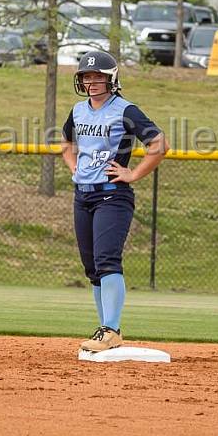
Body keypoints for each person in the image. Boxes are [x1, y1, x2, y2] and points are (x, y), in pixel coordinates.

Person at [60, 51, 168, 352]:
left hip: (112, 194)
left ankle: (111, 329)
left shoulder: (125, 110)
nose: (92, 82)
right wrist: (73, 167)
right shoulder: (78, 111)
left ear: (112, 79)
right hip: (83, 195)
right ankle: (105, 331)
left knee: (107, 260)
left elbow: (159, 144)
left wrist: (133, 174)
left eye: (98, 77)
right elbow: (65, 142)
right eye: (86, 77)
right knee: (92, 268)